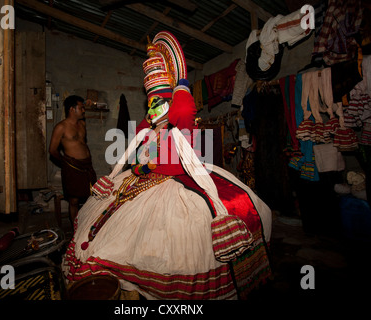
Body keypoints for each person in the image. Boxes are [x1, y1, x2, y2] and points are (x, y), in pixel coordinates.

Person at [62, 32, 272, 300]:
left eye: (158, 102)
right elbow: (141, 154)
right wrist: (142, 165)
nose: (152, 109)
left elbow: (183, 112)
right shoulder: (149, 127)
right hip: (151, 179)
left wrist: (182, 82)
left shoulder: (182, 119)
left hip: (182, 179)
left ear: (170, 101)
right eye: (150, 103)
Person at [49, 95, 97, 227]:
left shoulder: (82, 124)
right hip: (72, 166)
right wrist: (66, 162)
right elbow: (52, 150)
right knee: (74, 201)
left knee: (93, 196)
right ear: (72, 109)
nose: (83, 111)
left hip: (86, 166)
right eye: (81, 108)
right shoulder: (61, 127)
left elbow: (82, 144)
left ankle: (89, 226)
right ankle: (76, 230)